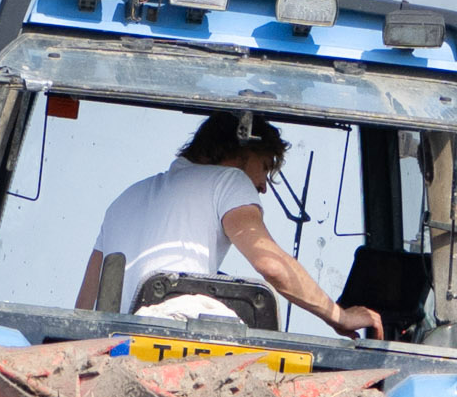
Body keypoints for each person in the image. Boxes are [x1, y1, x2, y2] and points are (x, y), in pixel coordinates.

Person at [79, 114, 378, 337]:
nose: (262, 187)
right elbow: (271, 264)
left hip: (114, 351)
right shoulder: (229, 180)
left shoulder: (124, 199)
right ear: (238, 153)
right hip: (173, 346)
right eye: (264, 167)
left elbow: (83, 308)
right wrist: (338, 315)